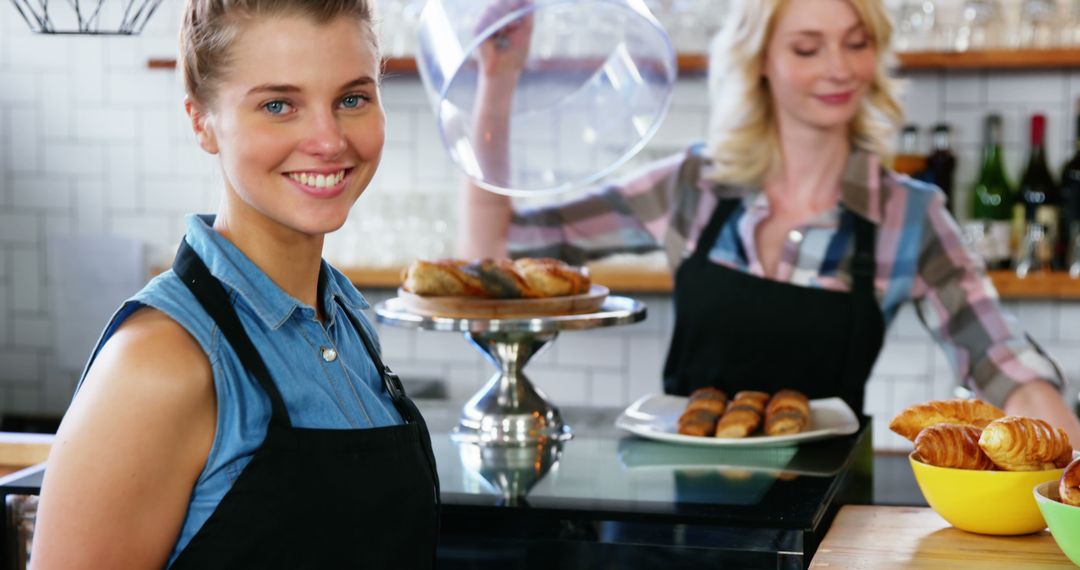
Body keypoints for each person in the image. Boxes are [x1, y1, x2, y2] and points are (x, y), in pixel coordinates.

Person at [459, 0, 1080, 444]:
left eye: (856, 43)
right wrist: (498, 77)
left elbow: (1002, 360)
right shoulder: (692, 186)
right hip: (679, 523)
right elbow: (495, 252)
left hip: (822, 528)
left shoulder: (907, 214)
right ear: (760, 60)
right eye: (808, 47)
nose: (838, 68)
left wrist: (1064, 453)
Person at [32, 1, 439, 568]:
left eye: (352, 99)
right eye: (279, 105)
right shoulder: (160, 363)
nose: (327, 140)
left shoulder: (342, 320)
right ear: (202, 121)